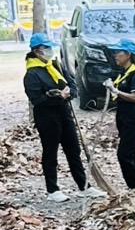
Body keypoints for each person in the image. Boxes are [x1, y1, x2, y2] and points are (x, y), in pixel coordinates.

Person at [22, 32, 94, 201]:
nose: (49, 51)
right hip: (47, 118)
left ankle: (84, 186)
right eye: (46, 48)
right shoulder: (32, 74)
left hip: (64, 113)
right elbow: (36, 100)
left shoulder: (56, 66)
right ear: (37, 51)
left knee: (73, 150)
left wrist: (70, 92)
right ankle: (52, 190)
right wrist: (55, 96)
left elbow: (71, 82)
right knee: (50, 152)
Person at [104, 39, 135, 188]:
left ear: (128, 54)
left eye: (118, 52)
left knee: (124, 154)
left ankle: (133, 185)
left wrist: (116, 91)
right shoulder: (124, 72)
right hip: (123, 117)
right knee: (134, 152)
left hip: (132, 119)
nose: (115, 55)